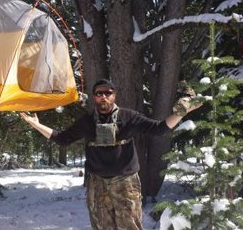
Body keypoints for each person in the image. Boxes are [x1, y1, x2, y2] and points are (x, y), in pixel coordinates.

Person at [20, 78, 201, 230]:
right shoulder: (87, 121)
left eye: (108, 93)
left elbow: (159, 128)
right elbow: (62, 138)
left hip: (126, 182)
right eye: (99, 93)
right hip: (97, 183)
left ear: (114, 96)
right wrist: (35, 124)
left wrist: (181, 113)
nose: (103, 97)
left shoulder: (129, 117)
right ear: (94, 97)